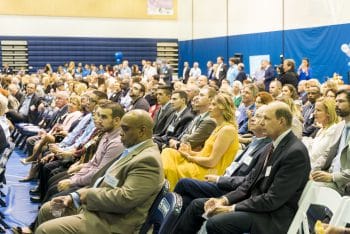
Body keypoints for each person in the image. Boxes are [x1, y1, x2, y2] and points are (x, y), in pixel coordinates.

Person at [173, 101, 310, 234]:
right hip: (256, 205)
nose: (261, 122)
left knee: (216, 222)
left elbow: (272, 199)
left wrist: (231, 208)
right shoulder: (271, 145)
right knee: (198, 205)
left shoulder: (295, 152)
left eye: (266, 119)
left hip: (271, 217)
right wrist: (223, 200)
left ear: (281, 121)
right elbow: (248, 183)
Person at [28, 110, 164, 234]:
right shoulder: (133, 150)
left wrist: (86, 195)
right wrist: (74, 196)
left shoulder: (148, 160)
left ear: (142, 131)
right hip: (98, 210)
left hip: (111, 223)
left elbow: (125, 199)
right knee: (49, 210)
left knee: (45, 230)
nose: (121, 133)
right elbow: (103, 181)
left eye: (125, 129)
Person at [174, 105, 271, 210]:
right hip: (224, 179)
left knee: (183, 182)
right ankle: (167, 221)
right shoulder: (254, 141)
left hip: (229, 186)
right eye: (253, 115)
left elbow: (248, 180)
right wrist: (190, 154)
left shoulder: (266, 147)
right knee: (186, 200)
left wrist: (220, 179)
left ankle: (163, 214)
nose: (252, 118)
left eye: (258, 116)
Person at [161, 93, 239, 190]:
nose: (210, 107)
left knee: (170, 165)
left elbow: (211, 162)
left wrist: (189, 157)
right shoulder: (219, 127)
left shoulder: (227, 130)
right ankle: (166, 186)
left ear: (223, 108)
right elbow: (204, 153)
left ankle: (168, 189)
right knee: (168, 152)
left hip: (209, 171)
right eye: (210, 104)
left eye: (214, 105)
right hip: (202, 164)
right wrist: (190, 152)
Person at [310, 89, 350, 195]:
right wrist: (313, 171)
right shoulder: (340, 126)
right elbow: (327, 153)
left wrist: (332, 177)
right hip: (331, 174)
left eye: (341, 101)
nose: (336, 104)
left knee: (310, 190)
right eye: (336, 101)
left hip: (344, 182)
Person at [303, 97, 342, 169]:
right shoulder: (322, 129)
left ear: (328, 113)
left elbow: (319, 155)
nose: (314, 113)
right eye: (315, 110)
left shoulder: (333, 131)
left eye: (318, 110)